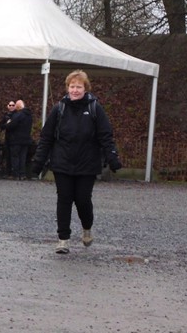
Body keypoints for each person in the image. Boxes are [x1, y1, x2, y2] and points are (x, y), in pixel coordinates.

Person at [31, 70, 122, 254]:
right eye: (72, 86)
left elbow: (106, 136)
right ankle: (63, 239)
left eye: (78, 87)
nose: (75, 90)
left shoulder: (95, 108)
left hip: (87, 164)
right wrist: (38, 161)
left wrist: (112, 158)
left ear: (85, 88)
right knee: (64, 200)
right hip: (62, 163)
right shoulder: (59, 109)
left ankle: (87, 227)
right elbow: (46, 137)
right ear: (67, 88)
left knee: (82, 200)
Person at [4, 100, 33, 180]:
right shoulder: (29, 115)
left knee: (15, 157)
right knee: (23, 157)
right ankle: (22, 174)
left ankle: (16, 174)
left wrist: (7, 123)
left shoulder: (18, 115)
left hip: (16, 140)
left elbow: (11, 126)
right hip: (26, 140)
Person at [0, 100, 16, 177]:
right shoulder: (5, 115)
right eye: (10, 105)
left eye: (13, 105)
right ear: (8, 106)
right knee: (7, 155)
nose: (11, 106)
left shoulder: (17, 115)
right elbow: (1, 126)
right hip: (8, 138)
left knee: (14, 156)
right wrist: (7, 124)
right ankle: (8, 172)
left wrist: (8, 125)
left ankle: (13, 172)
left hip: (15, 138)